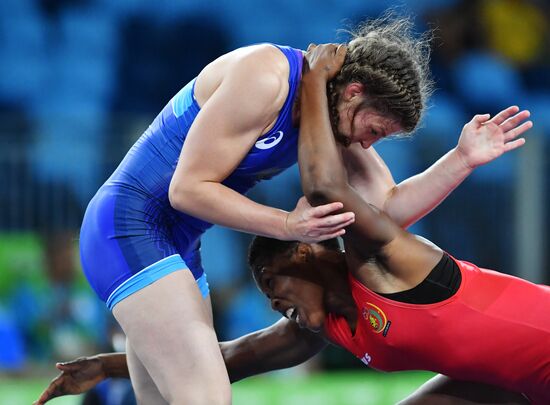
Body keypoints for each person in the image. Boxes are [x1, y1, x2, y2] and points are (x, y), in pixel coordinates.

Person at [36, 42, 538, 405]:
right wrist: (287, 224)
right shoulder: (267, 74)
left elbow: (384, 208)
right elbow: (185, 189)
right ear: (354, 93)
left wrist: (461, 159)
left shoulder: (332, 120)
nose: (367, 145)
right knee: (205, 398)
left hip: (175, 245)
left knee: (168, 399)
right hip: (128, 229)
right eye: (373, 130)